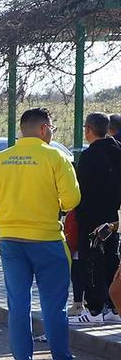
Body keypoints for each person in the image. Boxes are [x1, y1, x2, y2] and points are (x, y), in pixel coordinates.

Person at [0, 108, 93, 360]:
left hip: (10, 240)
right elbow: (71, 199)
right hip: (47, 239)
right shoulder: (55, 156)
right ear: (44, 129)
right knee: (54, 307)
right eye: (52, 129)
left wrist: (4, 212)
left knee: (18, 304)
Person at [72, 112, 121, 325]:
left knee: (90, 264)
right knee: (112, 261)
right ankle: (114, 308)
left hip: (92, 219)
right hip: (114, 218)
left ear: (88, 130)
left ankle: (93, 311)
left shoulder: (89, 156)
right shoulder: (118, 151)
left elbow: (79, 189)